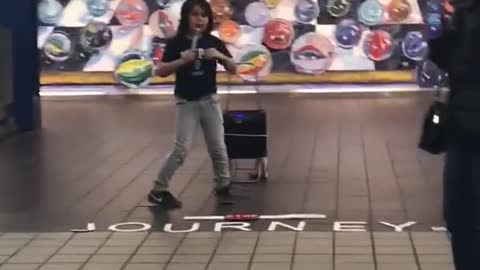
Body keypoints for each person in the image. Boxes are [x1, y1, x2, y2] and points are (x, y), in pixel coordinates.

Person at [148, 0, 237, 207]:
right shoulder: (176, 43)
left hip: (210, 101)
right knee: (181, 150)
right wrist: (181, 60)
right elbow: (160, 71)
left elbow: (233, 68)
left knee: (218, 147)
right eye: (195, 15)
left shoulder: (213, 41)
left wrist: (220, 56)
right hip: (186, 103)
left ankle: (223, 186)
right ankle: (158, 190)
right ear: (186, 18)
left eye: (204, 15)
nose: (200, 19)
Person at [428, 1, 480, 269]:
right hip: (462, 128)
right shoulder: (463, 12)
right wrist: (439, 26)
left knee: (467, 214)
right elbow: (443, 58)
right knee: (459, 215)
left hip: (468, 125)